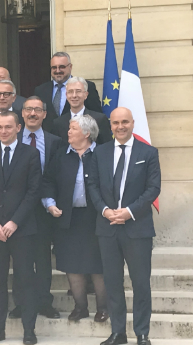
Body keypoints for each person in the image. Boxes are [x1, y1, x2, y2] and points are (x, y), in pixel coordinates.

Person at [87, 107, 161, 345]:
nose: (120, 127)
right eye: (116, 122)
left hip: (137, 228)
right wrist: (106, 211)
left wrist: (128, 213)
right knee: (112, 282)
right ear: (110, 125)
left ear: (133, 123)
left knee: (140, 283)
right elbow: (93, 186)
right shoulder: (100, 153)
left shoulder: (148, 152)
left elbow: (153, 189)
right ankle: (117, 331)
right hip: (107, 226)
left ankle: (141, 333)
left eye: (125, 122)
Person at [0, 111, 42, 345]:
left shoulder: (31, 154)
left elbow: (34, 192)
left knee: (25, 279)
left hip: (21, 229)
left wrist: (15, 222)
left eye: (8, 127)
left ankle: (28, 329)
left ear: (18, 128)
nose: (3, 131)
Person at [42, 114, 109, 322]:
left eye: (73, 129)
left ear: (87, 133)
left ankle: (103, 308)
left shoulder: (103, 154)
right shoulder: (62, 154)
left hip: (97, 218)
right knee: (72, 264)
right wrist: (50, 204)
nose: (68, 132)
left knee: (98, 265)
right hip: (68, 218)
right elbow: (47, 181)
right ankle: (80, 307)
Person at [8, 97, 62, 321]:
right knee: (20, 259)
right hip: (17, 209)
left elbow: (57, 175)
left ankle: (43, 302)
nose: (32, 113)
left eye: (37, 110)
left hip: (43, 210)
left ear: (44, 114)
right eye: (28, 109)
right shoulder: (11, 139)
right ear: (22, 113)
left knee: (42, 258)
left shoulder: (55, 142)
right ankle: (21, 303)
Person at [33, 52, 102, 133]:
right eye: (54, 67)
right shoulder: (41, 90)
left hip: (80, 139)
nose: (58, 71)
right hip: (50, 141)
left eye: (62, 67)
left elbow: (96, 116)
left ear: (70, 67)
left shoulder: (87, 86)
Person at [51, 77, 112, 145]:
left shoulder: (99, 119)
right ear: (66, 95)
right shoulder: (58, 122)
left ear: (86, 95)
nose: (74, 95)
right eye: (70, 92)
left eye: (78, 91)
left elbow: (107, 146)